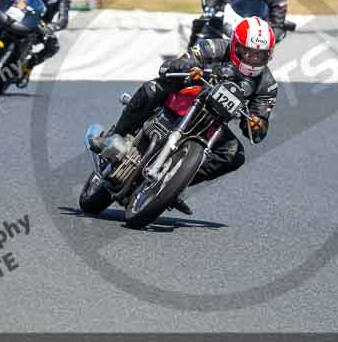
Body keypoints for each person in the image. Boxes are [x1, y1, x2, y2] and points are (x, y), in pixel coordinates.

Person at [90, 16, 278, 216]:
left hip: (214, 122)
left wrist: (258, 125)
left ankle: (174, 182)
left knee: (234, 154)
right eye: (248, 52)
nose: (252, 59)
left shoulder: (267, 84)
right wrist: (187, 67)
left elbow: (257, 128)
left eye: (259, 55)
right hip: (188, 96)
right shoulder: (214, 48)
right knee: (154, 88)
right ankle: (116, 134)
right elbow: (178, 63)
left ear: (269, 55)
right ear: (235, 46)